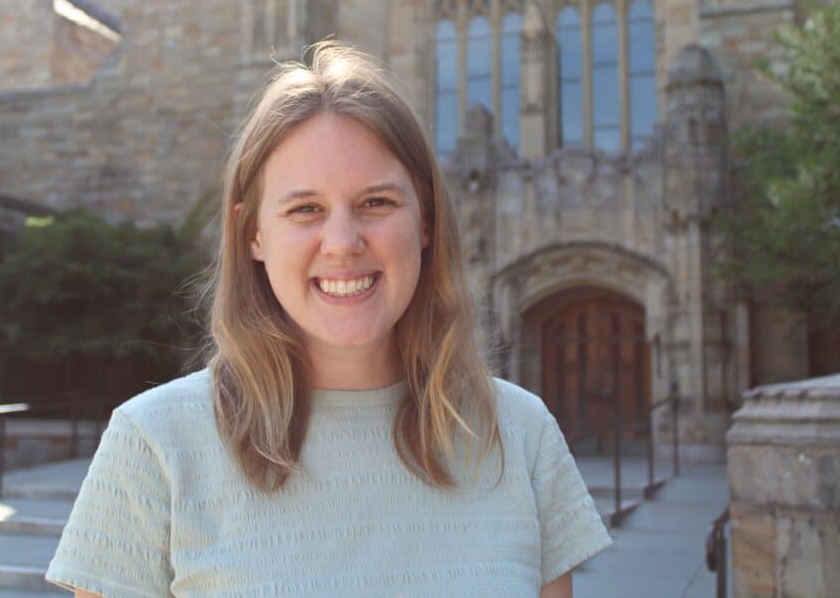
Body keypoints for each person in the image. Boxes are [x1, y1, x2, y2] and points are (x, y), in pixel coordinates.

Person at [45, 42, 611, 597]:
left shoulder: (521, 434)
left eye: (377, 203)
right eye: (306, 209)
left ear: (427, 223)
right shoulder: (155, 445)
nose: (342, 243)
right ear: (254, 234)